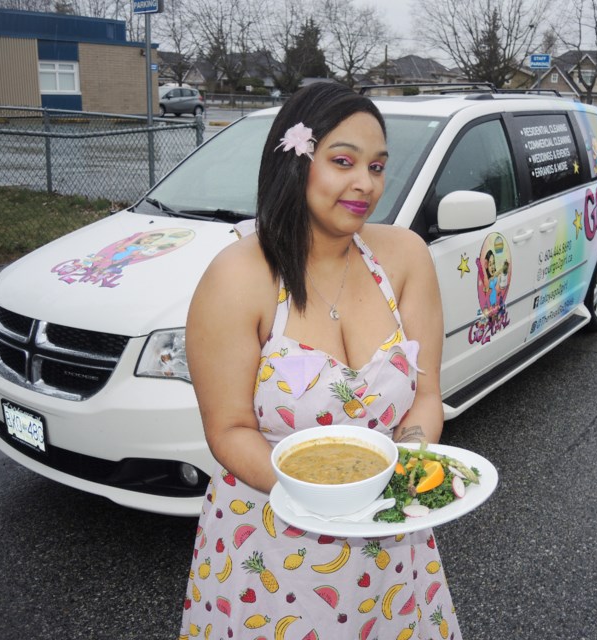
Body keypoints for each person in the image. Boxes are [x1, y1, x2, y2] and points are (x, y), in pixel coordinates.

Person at [180, 82, 461, 640]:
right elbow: (229, 428)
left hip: (389, 546)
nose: (366, 183)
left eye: (378, 166)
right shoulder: (239, 276)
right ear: (295, 161)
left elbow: (426, 396)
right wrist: (322, 497)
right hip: (268, 546)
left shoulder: (405, 257)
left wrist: (404, 467)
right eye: (343, 161)